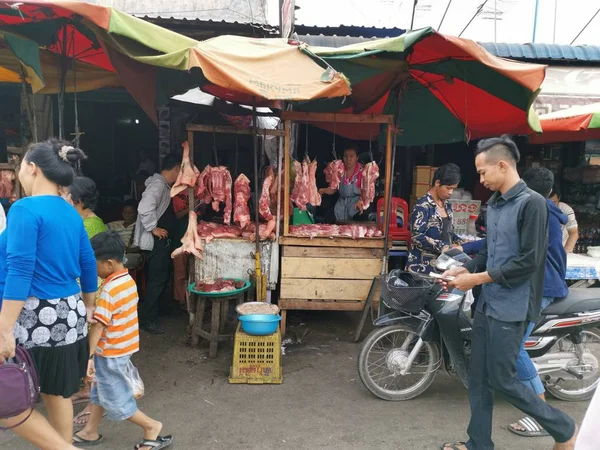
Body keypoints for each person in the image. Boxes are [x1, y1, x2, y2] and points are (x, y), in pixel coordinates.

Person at [440, 136, 577, 450]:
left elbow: (527, 262)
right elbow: (491, 251)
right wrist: (466, 269)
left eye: (483, 172)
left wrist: (476, 279)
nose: (481, 179)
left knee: (503, 379)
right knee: (478, 378)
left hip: (513, 306)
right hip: (488, 304)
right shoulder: (496, 204)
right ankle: (478, 444)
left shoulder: (533, 204)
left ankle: (564, 427)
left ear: (502, 165)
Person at [0, 139, 96, 450]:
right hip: (71, 313)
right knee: (56, 393)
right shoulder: (69, 211)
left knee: (7, 402)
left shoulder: (24, 208)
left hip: (33, 315)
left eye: (19, 168)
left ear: (32, 168)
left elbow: (20, 270)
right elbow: (88, 261)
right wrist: (90, 304)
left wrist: (3, 329)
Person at [73, 231, 173, 450]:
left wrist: (89, 356)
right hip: (123, 347)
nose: (91, 270)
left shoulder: (109, 289)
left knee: (116, 400)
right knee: (101, 391)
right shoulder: (127, 281)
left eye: (93, 265)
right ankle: (90, 431)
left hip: (109, 352)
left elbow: (99, 325)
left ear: (108, 263)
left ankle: (151, 427)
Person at [506, 168, 569, 437]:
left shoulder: (536, 210)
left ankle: (542, 414)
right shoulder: (544, 208)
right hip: (540, 281)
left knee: (515, 346)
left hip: (542, 284)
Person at [133, 153, 181, 335]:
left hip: (162, 242)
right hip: (156, 243)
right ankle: (149, 319)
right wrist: (153, 228)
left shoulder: (162, 185)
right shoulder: (157, 185)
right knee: (156, 280)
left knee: (161, 278)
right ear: (176, 168)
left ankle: (158, 311)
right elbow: (144, 208)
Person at [406, 163, 463, 274]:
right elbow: (417, 236)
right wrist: (443, 247)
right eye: (448, 188)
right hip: (423, 266)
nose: (450, 192)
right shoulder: (423, 206)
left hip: (444, 265)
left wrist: (461, 242)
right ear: (437, 183)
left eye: (453, 189)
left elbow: (448, 231)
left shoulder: (447, 206)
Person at [318, 146, 368, 223]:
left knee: (361, 218)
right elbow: (334, 189)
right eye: (345, 156)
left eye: (351, 156)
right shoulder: (339, 169)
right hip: (341, 204)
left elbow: (366, 190)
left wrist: (361, 201)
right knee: (328, 219)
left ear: (357, 158)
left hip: (357, 202)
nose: (348, 159)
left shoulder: (363, 171)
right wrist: (323, 190)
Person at [108, 200, 143, 270]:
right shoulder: (113, 225)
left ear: (137, 213)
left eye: (130, 213)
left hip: (132, 255)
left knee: (122, 262)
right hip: (114, 254)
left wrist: (128, 250)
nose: (127, 215)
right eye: (124, 213)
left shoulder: (140, 226)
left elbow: (143, 247)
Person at [550, 187, 579, 253]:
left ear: (559, 199)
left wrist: (563, 254)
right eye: (548, 202)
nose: (551, 205)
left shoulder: (566, 210)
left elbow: (573, 233)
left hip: (563, 248)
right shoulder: (539, 208)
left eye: (554, 202)